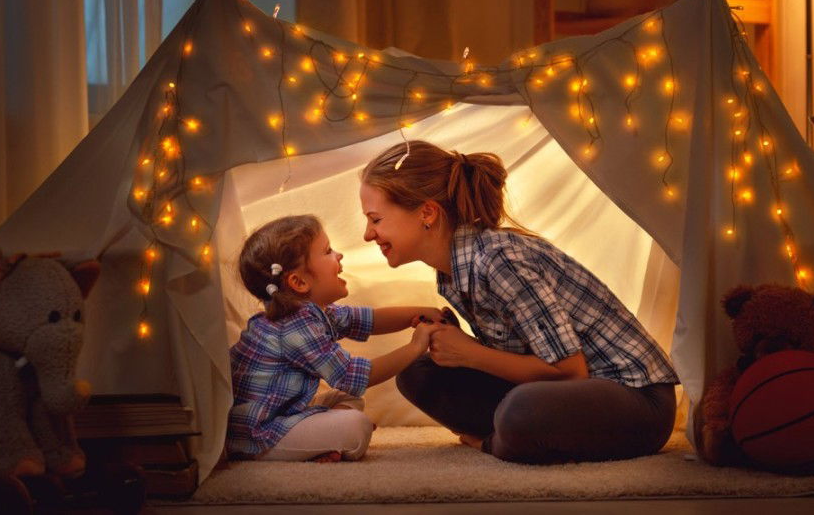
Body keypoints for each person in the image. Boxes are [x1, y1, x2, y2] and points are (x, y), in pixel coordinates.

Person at [359, 140, 680, 464]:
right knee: (417, 373)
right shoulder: (453, 273)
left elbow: (570, 372)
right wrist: (457, 348)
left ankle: (496, 442)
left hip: (636, 402)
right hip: (564, 396)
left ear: (426, 213)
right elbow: (524, 356)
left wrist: (470, 353)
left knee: (521, 411)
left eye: (376, 219)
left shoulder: (499, 260)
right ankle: (513, 436)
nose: (368, 235)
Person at [228, 214, 448, 462]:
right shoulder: (293, 327)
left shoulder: (312, 313)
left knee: (348, 400)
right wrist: (416, 347)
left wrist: (419, 313)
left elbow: (369, 320)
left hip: (283, 412)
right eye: (328, 251)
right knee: (356, 427)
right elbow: (353, 376)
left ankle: (321, 443)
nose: (339, 255)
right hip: (259, 434)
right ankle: (324, 441)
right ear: (299, 282)